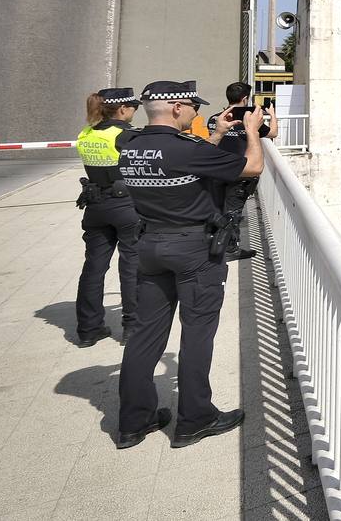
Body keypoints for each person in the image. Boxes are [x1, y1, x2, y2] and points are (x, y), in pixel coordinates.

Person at [115, 80, 263, 450]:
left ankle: (134, 422)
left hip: (149, 245)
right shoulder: (185, 150)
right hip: (193, 250)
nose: (198, 112)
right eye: (194, 106)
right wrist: (249, 132)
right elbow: (252, 166)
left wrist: (216, 133)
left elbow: (185, 165)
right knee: (197, 332)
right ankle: (195, 419)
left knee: (145, 334)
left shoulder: (131, 147)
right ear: (178, 107)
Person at [73, 88, 142, 347]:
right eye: (133, 107)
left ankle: (88, 329)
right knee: (131, 264)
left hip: (95, 205)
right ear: (122, 109)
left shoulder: (86, 133)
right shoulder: (127, 134)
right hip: (125, 205)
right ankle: (132, 327)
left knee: (93, 268)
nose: (135, 111)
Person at [205, 82, 277, 261]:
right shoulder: (249, 121)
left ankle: (214, 241)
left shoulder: (215, 118)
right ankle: (230, 248)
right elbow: (273, 133)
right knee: (233, 212)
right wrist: (272, 115)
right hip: (239, 173)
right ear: (245, 98)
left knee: (218, 207)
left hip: (217, 171)